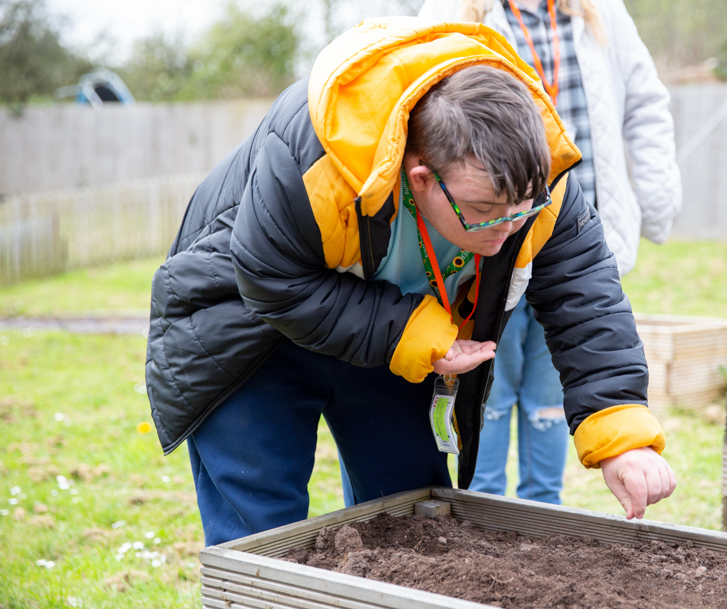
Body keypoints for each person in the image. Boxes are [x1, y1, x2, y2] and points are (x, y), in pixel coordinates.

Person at [144, 17, 676, 547]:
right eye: (483, 211)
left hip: (393, 336)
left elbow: (586, 301)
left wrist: (620, 436)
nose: (508, 227)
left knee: (414, 527)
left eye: (523, 208)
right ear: (420, 176)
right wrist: (412, 333)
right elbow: (270, 279)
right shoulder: (312, 160)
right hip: (251, 332)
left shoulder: (538, 184)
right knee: (261, 531)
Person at [418, 0, 682, 504]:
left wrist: (656, 198)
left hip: (568, 230)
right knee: (486, 387)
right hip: (489, 240)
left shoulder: (601, 13)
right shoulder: (454, 8)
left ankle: (542, 507)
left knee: (549, 396)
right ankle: (482, 502)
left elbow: (645, 104)